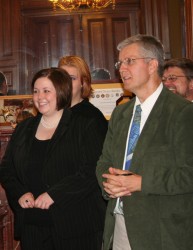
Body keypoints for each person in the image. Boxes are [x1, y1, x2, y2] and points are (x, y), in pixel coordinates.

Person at [96, 34, 193, 250]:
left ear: (152, 65)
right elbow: (104, 162)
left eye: (129, 61)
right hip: (119, 226)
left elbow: (189, 173)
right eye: (120, 63)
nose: (122, 69)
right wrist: (108, 184)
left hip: (163, 232)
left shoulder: (182, 112)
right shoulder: (121, 114)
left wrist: (142, 182)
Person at [0, 67, 107, 250]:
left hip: (75, 227)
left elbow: (92, 170)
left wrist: (54, 194)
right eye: (36, 91)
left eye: (46, 91)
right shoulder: (24, 127)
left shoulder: (84, 125)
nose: (39, 96)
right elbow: (7, 168)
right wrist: (19, 193)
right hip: (32, 226)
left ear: (62, 91)